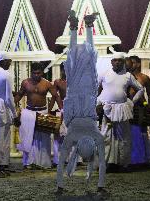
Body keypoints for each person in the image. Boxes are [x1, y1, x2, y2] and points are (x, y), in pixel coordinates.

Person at [56, 11, 106, 194]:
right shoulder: (76, 137)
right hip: (78, 95)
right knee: (75, 60)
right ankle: (76, 27)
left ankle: (84, 26)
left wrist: (60, 187)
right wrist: (59, 185)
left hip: (83, 94)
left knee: (85, 59)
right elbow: (62, 162)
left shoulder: (93, 136)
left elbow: (101, 164)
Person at [98, 53, 144, 172]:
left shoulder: (128, 76)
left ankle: (123, 164)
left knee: (123, 137)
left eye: (119, 61)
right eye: (115, 60)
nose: (117, 62)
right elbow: (95, 90)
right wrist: (98, 104)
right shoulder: (104, 74)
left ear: (123, 62)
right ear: (111, 62)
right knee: (106, 136)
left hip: (122, 109)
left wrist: (132, 102)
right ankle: (107, 163)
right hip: (107, 109)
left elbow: (140, 89)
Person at [14, 62, 62, 169]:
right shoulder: (25, 83)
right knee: (28, 138)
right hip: (29, 112)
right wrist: (12, 107)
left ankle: (43, 163)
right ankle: (28, 163)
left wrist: (57, 110)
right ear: (31, 73)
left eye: (38, 73)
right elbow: (19, 95)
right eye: (34, 73)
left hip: (43, 112)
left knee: (44, 138)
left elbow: (56, 96)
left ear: (42, 73)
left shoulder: (47, 83)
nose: (36, 75)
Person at [128, 55, 150, 167]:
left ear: (138, 64)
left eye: (132, 62)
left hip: (140, 108)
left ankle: (144, 159)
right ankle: (130, 159)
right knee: (129, 133)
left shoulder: (144, 78)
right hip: (127, 107)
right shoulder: (126, 76)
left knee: (141, 133)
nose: (130, 65)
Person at [48, 64, 67, 167]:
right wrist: (49, 110)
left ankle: (75, 159)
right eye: (63, 69)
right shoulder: (57, 82)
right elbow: (54, 97)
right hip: (62, 109)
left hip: (74, 109)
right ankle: (57, 159)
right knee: (59, 134)